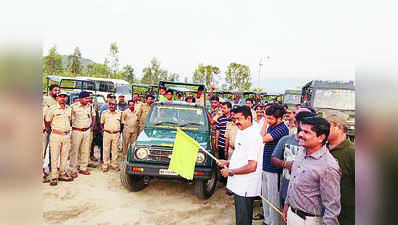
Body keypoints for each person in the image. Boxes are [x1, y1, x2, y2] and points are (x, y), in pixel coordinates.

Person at [283, 116, 341, 225]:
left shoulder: (328, 166)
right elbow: (293, 182)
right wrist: (287, 205)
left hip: (309, 221)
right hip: (292, 215)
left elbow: (332, 208)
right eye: (300, 131)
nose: (300, 134)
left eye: (306, 132)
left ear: (321, 138)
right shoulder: (302, 152)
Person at [217, 105, 263, 225]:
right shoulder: (243, 132)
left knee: (243, 219)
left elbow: (252, 166)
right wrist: (227, 162)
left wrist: (230, 172)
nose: (236, 122)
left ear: (248, 119)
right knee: (241, 218)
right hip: (240, 183)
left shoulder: (253, 136)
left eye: (239, 119)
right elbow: (241, 157)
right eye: (235, 119)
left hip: (246, 186)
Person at [271, 110, 315, 209]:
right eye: (304, 123)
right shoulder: (285, 140)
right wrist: (286, 164)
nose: (306, 127)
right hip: (286, 188)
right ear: (296, 123)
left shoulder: (314, 144)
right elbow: (274, 159)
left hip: (305, 194)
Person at [325, 110, 355, 225]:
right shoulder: (323, 150)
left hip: (346, 217)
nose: (324, 130)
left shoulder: (352, 152)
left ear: (340, 128)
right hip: (325, 213)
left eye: (328, 127)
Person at [261, 104, 289, 225]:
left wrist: (265, 123)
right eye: (267, 118)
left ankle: (275, 222)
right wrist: (266, 121)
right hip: (266, 166)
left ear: (280, 118)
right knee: (266, 197)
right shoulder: (272, 126)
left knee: (274, 199)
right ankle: (267, 220)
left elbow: (263, 138)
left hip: (274, 169)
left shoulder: (282, 129)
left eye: (270, 118)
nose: (268, 121)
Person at [45, 92, 73, 186]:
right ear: (57, 98)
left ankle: (62, 173)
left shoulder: (69, 109)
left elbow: (70, 121)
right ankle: (54, 176)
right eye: (60, 96)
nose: (62, 98)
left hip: (66, 135)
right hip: (56, 135)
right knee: (54, 156)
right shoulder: (52, 109)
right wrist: (53, 131)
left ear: (67, 98)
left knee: (65, 156)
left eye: (64, 97)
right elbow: (47, 122)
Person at [69, 91, 95, 178]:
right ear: (80, 98)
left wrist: (91, 127)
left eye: (88, 98)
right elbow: (69, 119)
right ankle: (73, 169)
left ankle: (83, 167)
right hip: (77, 131)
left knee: (85, 150)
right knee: (74, 151)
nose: (87, 100)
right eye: (85, 98)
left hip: (87, 131)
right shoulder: (73, 107)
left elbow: (92, 116)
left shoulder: (90, 106)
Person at [100, 99, 123, 172]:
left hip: (116, 134)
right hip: (107, 133)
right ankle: (105, 165)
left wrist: (119, 132)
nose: (111, 106)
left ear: (116, 105)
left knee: (115, 150)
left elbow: (122, 124)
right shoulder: (104, 113)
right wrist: (103, 130)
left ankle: (114, 164)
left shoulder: (120, 113)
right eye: (110, 104)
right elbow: (101, 123)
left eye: (113, 105)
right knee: (106, 149)